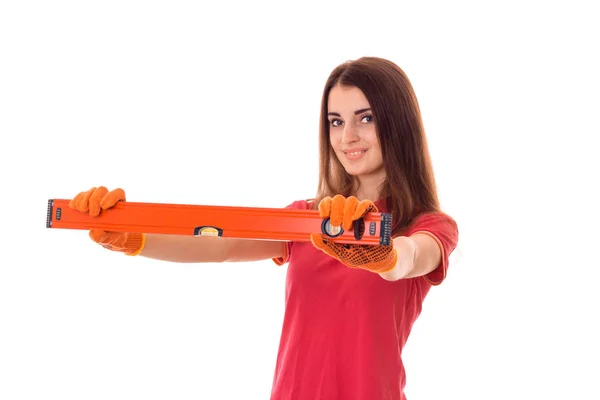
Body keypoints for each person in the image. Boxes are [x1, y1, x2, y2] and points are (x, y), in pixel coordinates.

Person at [68, 56, 459, 400]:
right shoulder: (307, 218)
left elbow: (408, 259)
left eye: (366, 118)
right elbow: (219, 245)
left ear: (399, 123)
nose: (347, 137)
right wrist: (131, 237)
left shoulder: (427, 226)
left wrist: (382, 255)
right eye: (335, 121)